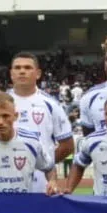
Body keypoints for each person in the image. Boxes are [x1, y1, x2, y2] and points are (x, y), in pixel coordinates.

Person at [7, 52, 73, 189]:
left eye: (27, 68)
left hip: (42, 183)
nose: (22, 71)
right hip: (6, 179)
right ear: (11, 73)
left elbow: (67, 146)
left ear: (38, 74)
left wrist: (42, 163)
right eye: (17, 68)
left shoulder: (51, 104)